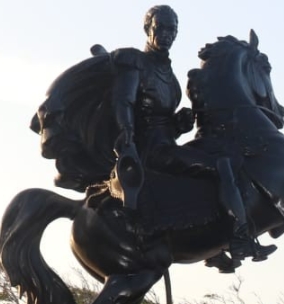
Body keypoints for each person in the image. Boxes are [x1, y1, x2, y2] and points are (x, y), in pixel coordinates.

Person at [109, 5, 269, 266]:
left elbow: (160, 120)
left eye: (172, 29)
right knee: (222, 166)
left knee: (220, 160)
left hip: (166, 143)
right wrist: (126, 131)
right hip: (152, 151)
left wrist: (178, 125)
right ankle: (239, 237)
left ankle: (211, 248)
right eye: (161, 27)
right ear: (148, 28)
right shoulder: (135, 62)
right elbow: (123, 102)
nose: (167, 34)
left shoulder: (170, 77)